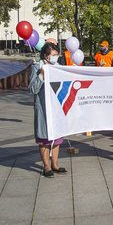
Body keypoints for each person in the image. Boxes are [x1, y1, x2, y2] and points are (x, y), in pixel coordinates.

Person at [29, 42, 67, 177]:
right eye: (53, 55)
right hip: (43, 108)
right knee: (44, 139)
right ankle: (46, 166)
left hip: (56, 108)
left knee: (56, 138)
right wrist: (42, 75)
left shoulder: (59, 68)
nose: (56, 57)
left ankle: (55, 164)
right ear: (45, 56)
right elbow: (33, 89)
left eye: (57, 55)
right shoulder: (36, 68)